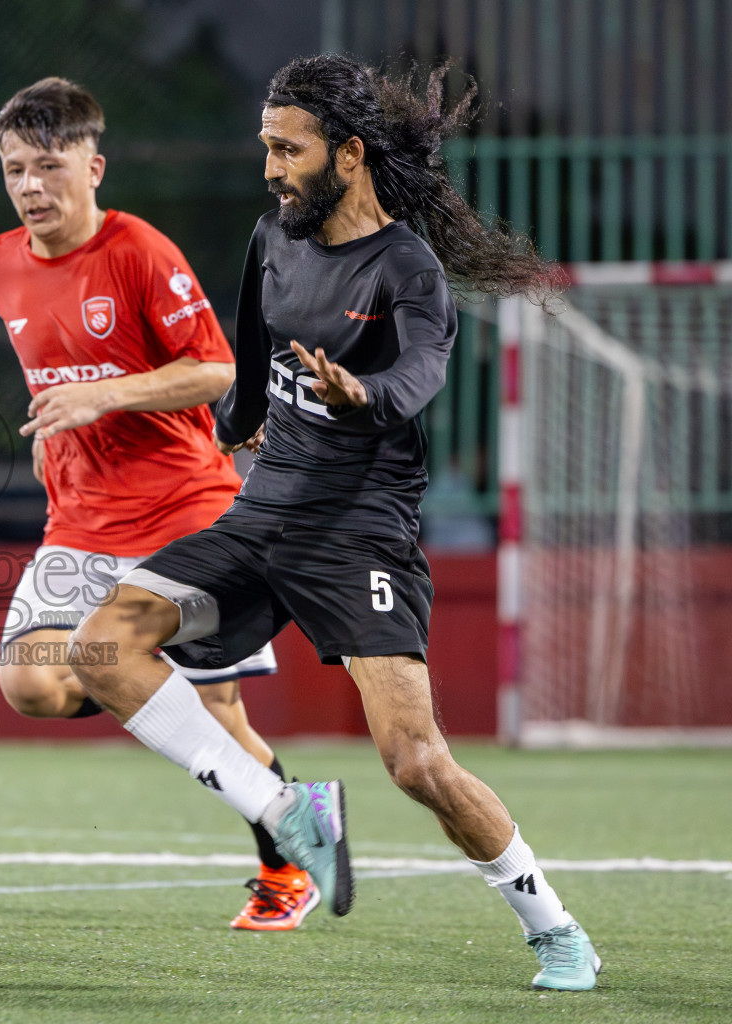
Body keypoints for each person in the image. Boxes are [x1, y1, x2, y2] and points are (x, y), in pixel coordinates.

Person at [69, 55, 598, 990]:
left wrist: (363, 392)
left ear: (347, 154)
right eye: (265, 147)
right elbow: (246, 366)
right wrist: (203, 429)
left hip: (358, 537)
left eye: (288, 149)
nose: (270, 168)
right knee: (102, 647)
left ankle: (553, 927)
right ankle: (287, 812)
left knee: (415, 762)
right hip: (260, 517)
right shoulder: (273, 237)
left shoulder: (408, 268)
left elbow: (418, 376)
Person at [0, 78, 315, 931]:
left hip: (182, 509)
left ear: (94, 166)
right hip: (79, 525)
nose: (29, 187)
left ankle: (287, 866)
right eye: (15, 169)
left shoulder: (139, 251)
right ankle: (137, 676)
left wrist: (105, 396)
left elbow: (219, 370)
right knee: (29, 683)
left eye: (47, 166)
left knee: (217, 710)